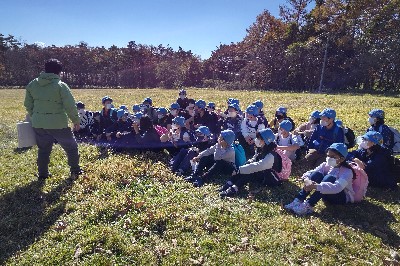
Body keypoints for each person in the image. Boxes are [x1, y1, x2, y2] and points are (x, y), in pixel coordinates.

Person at [24, 59, 82, 179]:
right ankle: (75, 171)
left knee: (43, 149)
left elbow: (28, 104)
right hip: (58, 124)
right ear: (59, 72)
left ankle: (43, 174)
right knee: (71, 147)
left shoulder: (32, 84)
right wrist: (75, 120)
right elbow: (70, 106)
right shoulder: (61, 86)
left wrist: (35, 116)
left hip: (38, 123)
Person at [284, 143, 355, 216]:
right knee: (316, 174)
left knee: (329, 178)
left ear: (342, 159)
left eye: (333, 157)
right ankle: (298, 200)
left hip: (339, 197)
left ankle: (309, 205)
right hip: (325, 193)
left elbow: (337, 188)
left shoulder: (347, 172)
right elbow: (311, 172)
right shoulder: (325, 165)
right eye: (328, 156)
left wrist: (316, 186)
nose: (329, 158)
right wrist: (307, 180)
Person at [219, 128, 282, 197]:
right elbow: (255, 159)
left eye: (260, 139)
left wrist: (240, 169)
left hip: (271, 178)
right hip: (263, 172)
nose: (257, 140)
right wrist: (247, 164)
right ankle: (229, 183)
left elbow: (259, 166)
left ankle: (234, 188)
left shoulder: (271, 155)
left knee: (251, 171)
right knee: (247, 166)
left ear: (266, 140)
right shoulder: (262, 148)